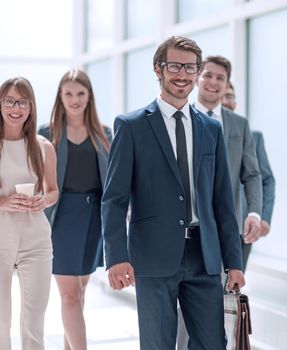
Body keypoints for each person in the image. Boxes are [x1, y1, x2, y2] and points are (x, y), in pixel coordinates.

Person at [101, 36, 245, 350]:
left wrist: (234, 261)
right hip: (152, 256)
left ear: (197, 72)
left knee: (212, 344)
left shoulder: (210, 129)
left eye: (190, 68)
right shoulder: (131, 126)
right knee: (157, 344)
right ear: (159, 68)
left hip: (203, 256)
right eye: (175, 66)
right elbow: (114, 199)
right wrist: (116, 257)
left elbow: (222, 202)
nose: (182, 74)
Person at [176, 55, 263, 350]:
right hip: (190, 230)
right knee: (185, 309)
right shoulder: (180, 119)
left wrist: (253, 211)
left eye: (220, 78)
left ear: (227, 85)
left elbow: (252, 174)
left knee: (222, 308)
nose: (213, 83)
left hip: (230, 231)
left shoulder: (238, 124)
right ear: (198, 77)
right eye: (208, 76)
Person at [38, 69, 112, 350]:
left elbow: (115, 179)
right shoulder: (47, 133)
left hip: (94, 219)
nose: (74, 99)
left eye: (80, 93)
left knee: (79, 292)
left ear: (89, 95)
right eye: (68, 93)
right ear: (60, 95)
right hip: (60, 218)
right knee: (69, 296)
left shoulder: (103, 134)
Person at [0, 77, 58, 349]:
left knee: (33, 323)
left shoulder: (43, 146)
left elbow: (53, 190)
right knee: (1, 322)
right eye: (9, 100)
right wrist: (4, 202)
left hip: (36, 241)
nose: (16, 107)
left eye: (23, 101)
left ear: (31, 108)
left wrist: (43, 201)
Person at [222, 82, 275, 272]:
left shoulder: (253, 136)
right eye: (222, 95)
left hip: (242, 226)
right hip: (206, 227)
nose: (226, 101)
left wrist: (263, 216)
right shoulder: (198, 133)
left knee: (233, 287)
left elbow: (266, 179)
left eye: (230, 96)